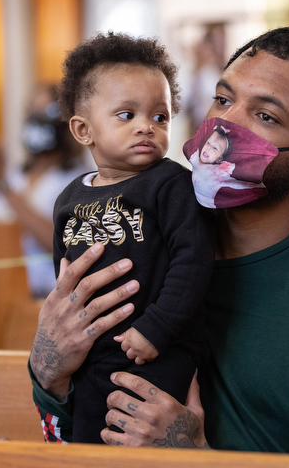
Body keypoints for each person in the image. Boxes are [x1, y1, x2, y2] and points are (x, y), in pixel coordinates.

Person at [28, 26, 289, 455]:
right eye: (223, 99)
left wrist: (199, 459)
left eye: (265, 116)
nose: (224, 124)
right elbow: (69, 443)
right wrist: (48, 373)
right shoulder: (133, 236)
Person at [49, 32, 215, 444]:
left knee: (144, 443)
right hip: (90, 357)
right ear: (84, 129)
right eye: (127, 115)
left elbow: (192, 259)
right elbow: (64, 273)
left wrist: (156, 328)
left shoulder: (171, 185)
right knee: (92, 442)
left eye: (160, 117)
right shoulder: (69, 199)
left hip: (158, 349)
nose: (147, 127)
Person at [0, 84, 91, 299]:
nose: (38, 119)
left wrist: (2, 186)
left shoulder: (79, 181)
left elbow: (59, 245)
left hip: (44, 296)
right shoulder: (16, 175)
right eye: (32, 111)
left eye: (47, 111)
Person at [183, 121, 273, 208]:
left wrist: (258, 188)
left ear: (219, 158)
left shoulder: (221, 169)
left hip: (211, 204)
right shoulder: (195, 155)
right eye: (208, 143)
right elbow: (188, 147)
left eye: (215, 148)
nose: (208, 148)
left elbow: (237, 184)